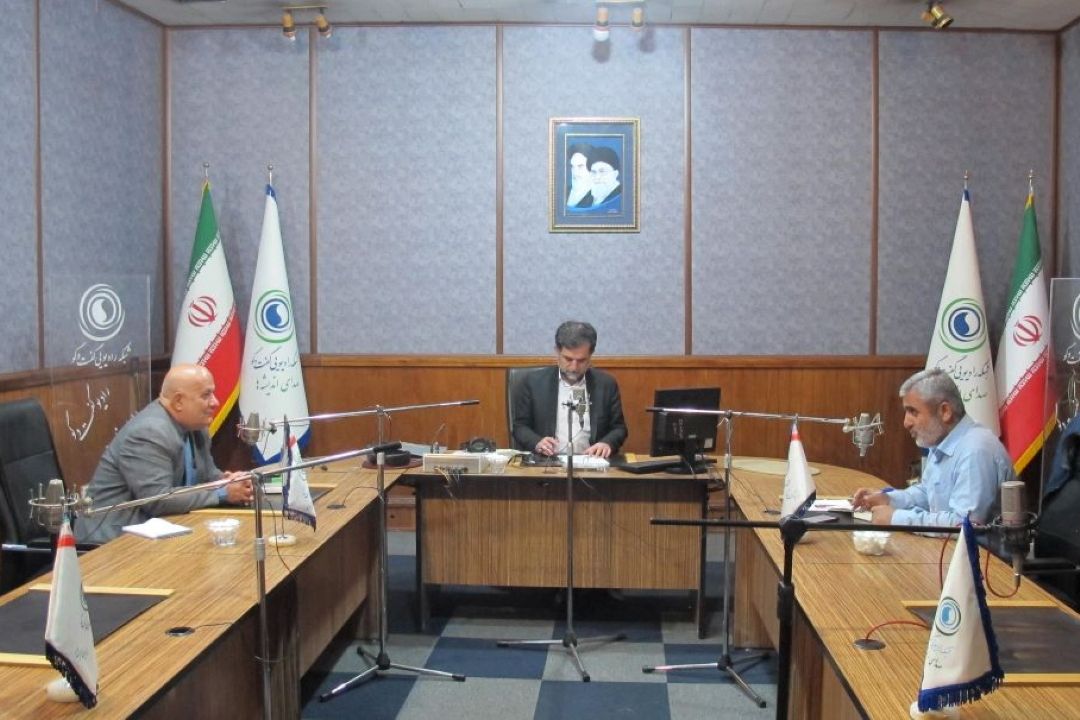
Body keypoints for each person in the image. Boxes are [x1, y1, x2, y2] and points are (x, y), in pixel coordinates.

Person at [77, 363, 253, 544]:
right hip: (109, 543)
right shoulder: (149, 432)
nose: (215, 402)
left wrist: (229, 481)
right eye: (206, 395)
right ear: (178, 402)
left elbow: (207, 476)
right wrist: (223, 493)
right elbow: (158, 500)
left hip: (161, 532)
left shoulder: (196, 426)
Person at [852, 367, 1015, 527]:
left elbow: (965, 524)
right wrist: (889, 499)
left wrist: (896, 518)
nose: (906, 423)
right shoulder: (942, 440)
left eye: (913, 412)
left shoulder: (976, 452)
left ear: (945, 411)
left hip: (977, 545)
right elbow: (927, 493)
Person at [512, 321, 627, 458]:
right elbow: (520, 427)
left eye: (581, 360)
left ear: (591, 355)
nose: (574, 367)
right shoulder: (533, 383)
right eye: (568, 359)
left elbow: (619, 429)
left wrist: (607, 443)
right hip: (547, 462)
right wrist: (537, 442)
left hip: (591, 462)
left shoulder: (606, 384)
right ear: (557, 351)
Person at [565, 143, 594, 209]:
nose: (575, 172)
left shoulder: (597, 197)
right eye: (572, 166)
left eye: (580, 166)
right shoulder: (564, 192)